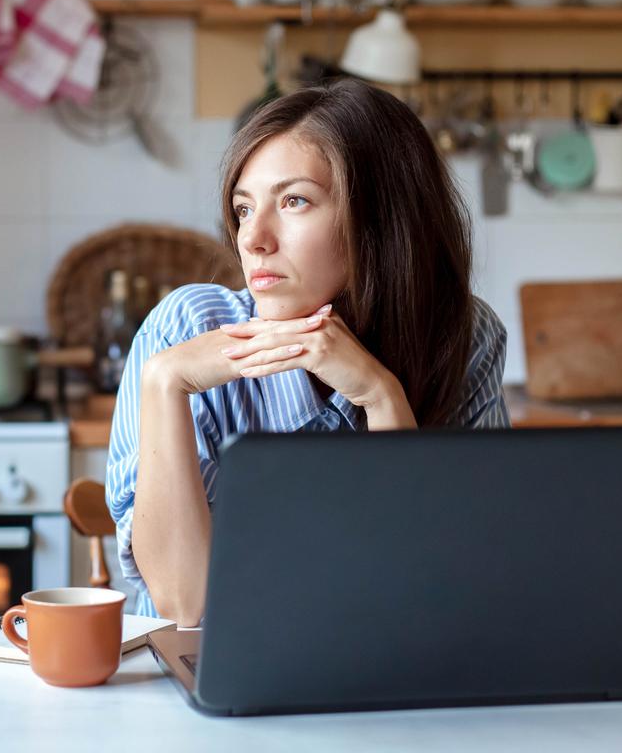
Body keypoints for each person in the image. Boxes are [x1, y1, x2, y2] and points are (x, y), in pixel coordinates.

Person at [106, 78, 509, 626]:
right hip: (201, 676)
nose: (253, 239)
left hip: (377, 673)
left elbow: (439, 577)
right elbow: (186, 602)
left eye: (294, 201)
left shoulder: (465, 333)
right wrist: (163, 381)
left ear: (382, 220)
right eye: (244, 209)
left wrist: (381, 396)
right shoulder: (186, 327)